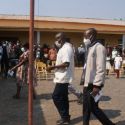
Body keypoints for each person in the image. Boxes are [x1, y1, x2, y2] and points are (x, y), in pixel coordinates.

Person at [81, 28, 115, 125]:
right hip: (87, 82)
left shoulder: (99, 48)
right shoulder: (90, 48)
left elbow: (101, 68)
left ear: (91, 36)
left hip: (94, 83)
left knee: (93, 108)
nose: (84, 38)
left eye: (85, 36)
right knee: (86, 107)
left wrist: (97, 86)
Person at [47, 32, 74, 125]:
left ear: (61, 38)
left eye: (57, 38)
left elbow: (66, 63)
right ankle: (66, 117)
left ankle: (64, 117)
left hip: (63, 77)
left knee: (56, 96)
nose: (56, 41)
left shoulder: (66, 48)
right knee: (63, 98)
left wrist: (52, 67)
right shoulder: (63, 48)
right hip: (62, 76)